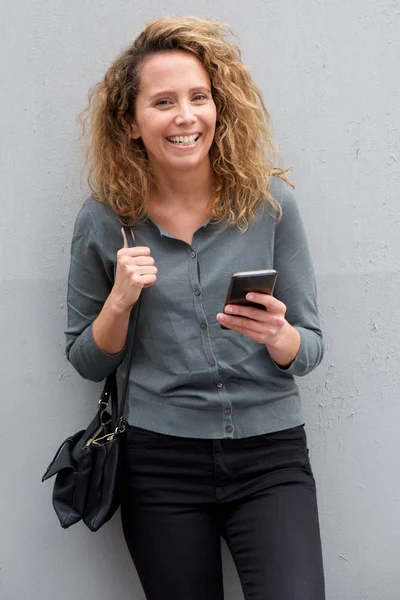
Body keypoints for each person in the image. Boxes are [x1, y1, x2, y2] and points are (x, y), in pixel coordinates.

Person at [66, 15, 325, 600]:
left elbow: (310, 346)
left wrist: (279, 335)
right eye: (163, 102)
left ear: (218, 108)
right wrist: (120, 301)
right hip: (160, 464)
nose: (185, 116)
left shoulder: (271, 205)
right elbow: (85, 359)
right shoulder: (104, 221)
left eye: (199, 97)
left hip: (271, 459)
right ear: (130, 123)